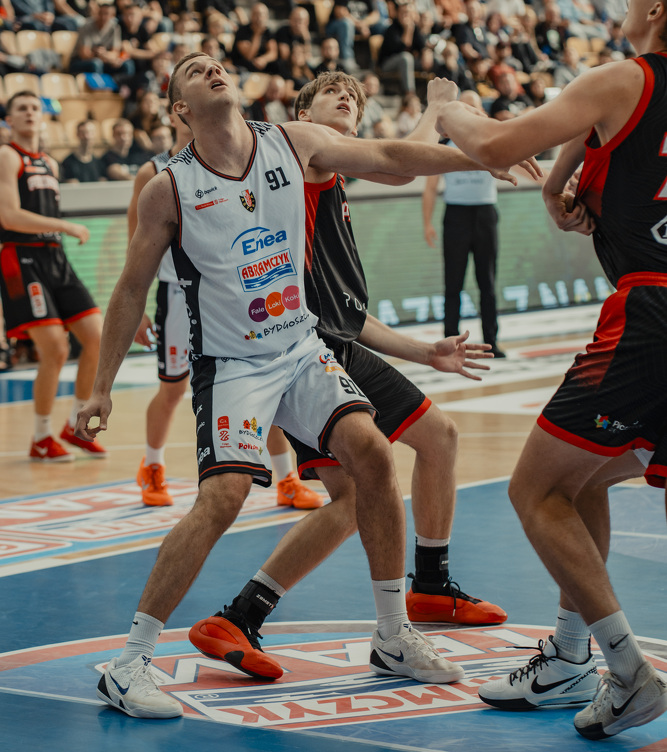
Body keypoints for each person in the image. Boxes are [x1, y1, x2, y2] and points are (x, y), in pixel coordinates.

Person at [76, 57, 532, 718]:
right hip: (231, 365)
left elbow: (389, 154)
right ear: (179, 109)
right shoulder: (167, 188)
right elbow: (128, 288)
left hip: (300, 347)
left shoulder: (291, 142)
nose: (212, 69)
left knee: (371, 455)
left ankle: (392, 634)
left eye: (216, 64)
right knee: (223, 498)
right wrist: (101, 388)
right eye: (195, 71)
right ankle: (129, 664)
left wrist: (478, 157)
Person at [190, 72, 509, 677]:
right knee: (356, 496)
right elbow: (400, 163)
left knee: (437, 439)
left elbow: (351, 314)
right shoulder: (301, 157)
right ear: (303, 113)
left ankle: (430, 584)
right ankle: (243, 615)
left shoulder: (332, 182)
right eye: (331, 94)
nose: (346, 100)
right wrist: (439, 111)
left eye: (355, 99)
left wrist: (424, 352)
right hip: (303, 354)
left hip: (338, 341)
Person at [431, 0, 667, 739]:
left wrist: (452, 109)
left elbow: (496, 146)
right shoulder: (622, 93)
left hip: (649, 312)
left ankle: (628, 672)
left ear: (656, 10)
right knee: (582, 479)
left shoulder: (623, 78)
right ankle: (568, 659)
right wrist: (558, 180)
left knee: (534, 491)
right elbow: (603, 154)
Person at [129, 109, 323, 510]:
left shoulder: (234, 159)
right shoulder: (155, 172)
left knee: (265, 372)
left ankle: (286, 477)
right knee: (172, 388)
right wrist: (139, 309)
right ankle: (152, 466)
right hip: (176, 293)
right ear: (177, 111)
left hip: (229, 292)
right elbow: (136, 247)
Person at [0, 92, 103, 460]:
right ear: (10, 119)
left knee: (97, 338)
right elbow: (9, 216)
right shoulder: (7, 156)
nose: (30, 112)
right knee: (56, 349)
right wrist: (64, 225)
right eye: (22, 108)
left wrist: (58, 231)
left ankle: (75, 425)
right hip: (21, 257)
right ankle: (41, 437)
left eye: (35, 108)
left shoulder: (50, 163)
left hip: (55, 256)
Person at [423, 91, 505, 358]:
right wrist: (427, 223)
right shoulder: (444, 147)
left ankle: (492, 341)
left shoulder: (492, 143)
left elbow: (520, 162)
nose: (469, 113)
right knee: (453, 283)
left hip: (485, 214)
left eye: (474, 108)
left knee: (487, 282)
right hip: (456, 215)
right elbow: (431, 187)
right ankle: (450, 341)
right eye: (464, 108)